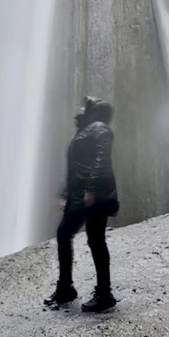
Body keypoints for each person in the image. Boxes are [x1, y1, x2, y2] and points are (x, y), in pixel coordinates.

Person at [46, 96, 119, 314]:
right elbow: (75, 167)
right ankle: (68, 288)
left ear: (92, 109)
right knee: (71, 236)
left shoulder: (99, 129)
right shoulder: (87, 130)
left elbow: (101, 160)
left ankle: (102, 294)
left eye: (84, 105)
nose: (79, 108)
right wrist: (65, 193)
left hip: (91, 197)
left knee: (93, 241)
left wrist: (92, 189)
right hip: (80, 196)